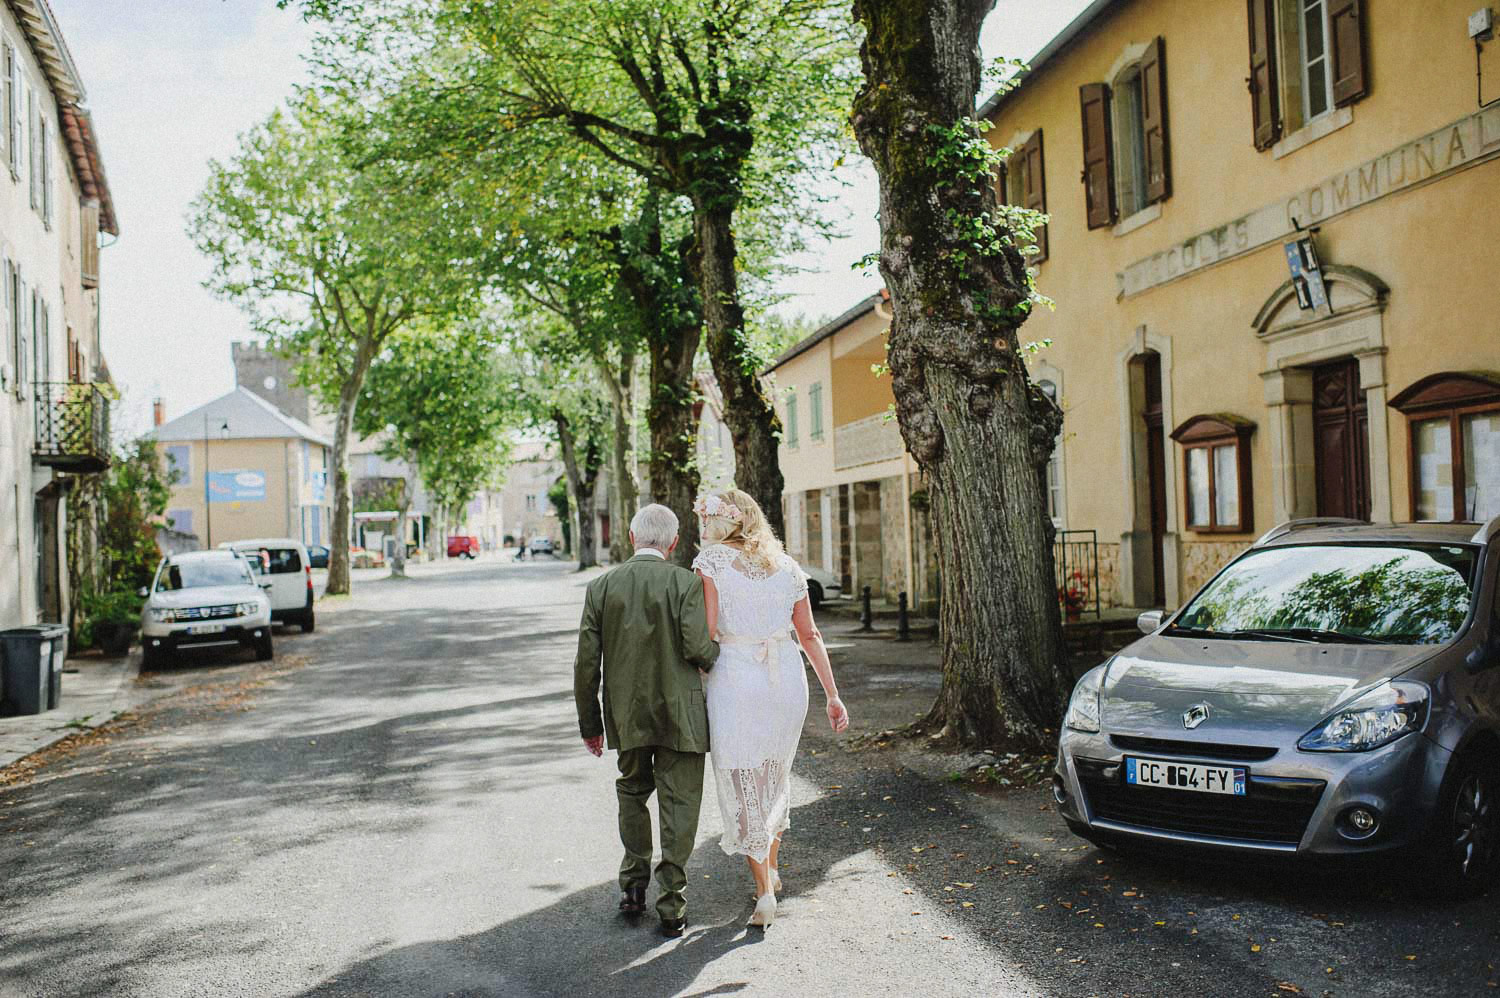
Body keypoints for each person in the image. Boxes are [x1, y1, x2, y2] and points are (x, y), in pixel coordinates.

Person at [692, 488, 849, 930]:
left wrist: (695, 677)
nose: (704, 529)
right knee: (774, 776)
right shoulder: (787, 566)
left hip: (737, 681)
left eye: (708, 520)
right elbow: (811, 635)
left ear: (726, 522)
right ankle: (772, 868)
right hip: (786, 681)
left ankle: (764, 892)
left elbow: (706, 632)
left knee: (745, 783)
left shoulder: (712, 564)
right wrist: (832, 695)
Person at [574, 504, 720, 938]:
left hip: (627, 712)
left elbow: (586, 664)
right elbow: (698, 647)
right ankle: (672, 902)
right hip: (681, 714)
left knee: (632, 792)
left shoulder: (602, 587)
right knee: (681, 803)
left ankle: (632, 886)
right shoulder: (683, 583)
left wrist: (591, 724)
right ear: (673, 542)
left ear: (632, 536)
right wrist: (716, 655)